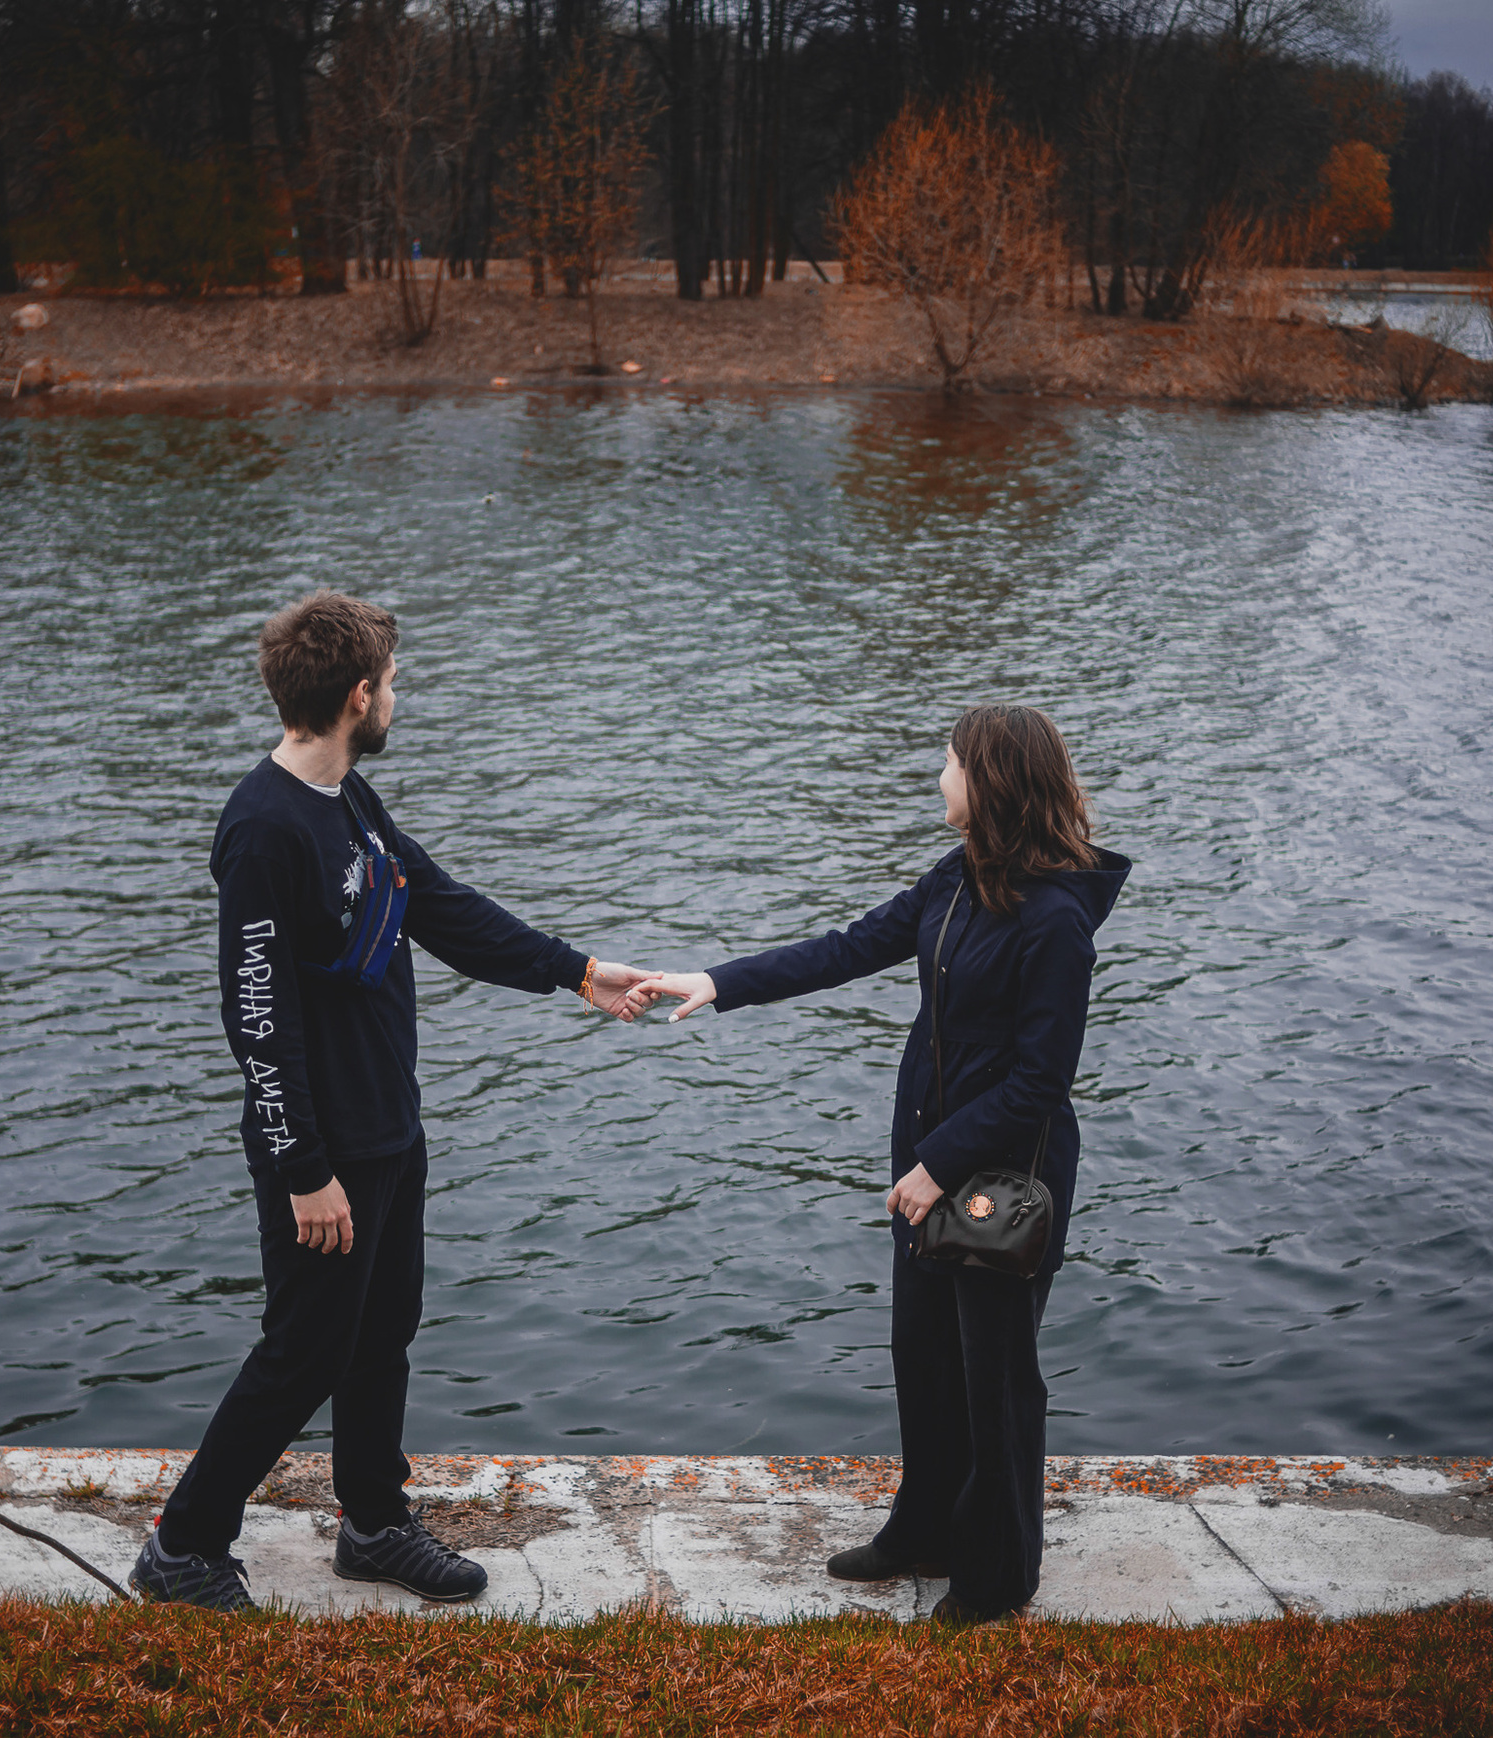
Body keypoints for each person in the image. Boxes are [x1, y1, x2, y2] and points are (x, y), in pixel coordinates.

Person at [131, 591, 657, 1612]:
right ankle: (182, 1542)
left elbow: (441, 904)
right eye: (395, 684)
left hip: (388, 1127)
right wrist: (304, 1168)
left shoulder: (349, 803)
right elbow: (256, 1021)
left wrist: (578, 970)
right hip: (323, 1148)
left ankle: (372, 1522)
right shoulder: (263, 831)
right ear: (358, 695)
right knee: (304, 1349)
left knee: (382, 1331)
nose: (396, 698)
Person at [627, 704, 1129, 1623]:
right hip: (930, 1170)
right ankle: (925, 1530)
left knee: (996, 1378)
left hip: (1005, 1178)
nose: (938, 778)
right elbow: (850, 947)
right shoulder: (960, 877)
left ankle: (998, 1573)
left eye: (948, 763)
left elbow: (1041, 1081)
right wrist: (717, 981)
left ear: (990, 783)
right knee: (924, 1357)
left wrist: (938, 1164)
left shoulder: (1056, 919)